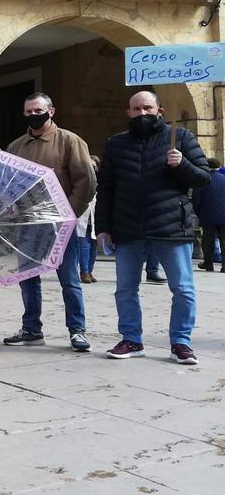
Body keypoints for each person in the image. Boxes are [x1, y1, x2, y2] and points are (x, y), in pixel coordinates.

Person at [96, 90, 212, 364]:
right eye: (136, 109)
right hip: (127, 228)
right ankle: (131, 339)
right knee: (125, 289)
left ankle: (181, 343)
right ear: (128, 112)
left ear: (159, 111)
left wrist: (182, 164)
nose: (142, 113)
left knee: (182, 289)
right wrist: (103, 227)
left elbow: (203, 178)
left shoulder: (181, 138)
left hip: (171, 227)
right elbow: (106, 189)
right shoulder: (116, 144)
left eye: (148, 108)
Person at [2, 93, 96, 353]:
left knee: (69, 280)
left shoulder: (69, 141)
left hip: (60, 224)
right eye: (29, 111)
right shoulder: (16, 146)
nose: (34, 115)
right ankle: (32, 329)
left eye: (38, 110)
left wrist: (69, 213)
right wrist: (10, 205)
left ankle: (77, 330)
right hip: (27, 225)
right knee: (28, 279)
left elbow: (85, 181)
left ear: (51, 111)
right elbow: (8, 184)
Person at [193, 157, 225, 272]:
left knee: (208, 241)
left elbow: (196, 201)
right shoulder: (224, 178)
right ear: (219, 166)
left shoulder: (202, 181)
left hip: (208, 215)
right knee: (224, 240)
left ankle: (208, 263)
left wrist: (200, 213)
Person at [77, 155, 100, 284]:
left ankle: (90, 271)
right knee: (84, 245)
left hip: (95, 217)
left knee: (93, 247)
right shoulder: (81, 180)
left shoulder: (100, 182)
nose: (92, 168)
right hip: (82, 216)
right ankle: (84, 272)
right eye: (90, 166)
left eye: (94, 166)